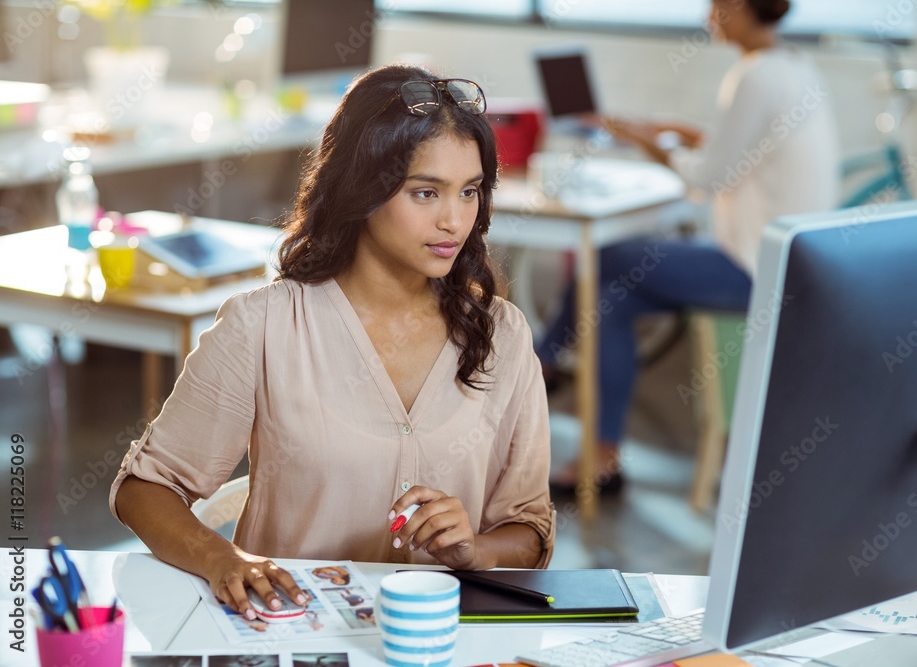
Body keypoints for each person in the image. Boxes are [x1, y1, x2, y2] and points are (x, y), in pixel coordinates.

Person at [110, 64, 555, 622]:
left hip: (436, 641)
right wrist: (222, 559)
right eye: (425, 192)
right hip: (287, 632)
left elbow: (530, 529)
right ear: (363, 189)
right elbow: (145, 488)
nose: (454, 219)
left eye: (470, 192)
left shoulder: (503, 336)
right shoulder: (263, 326)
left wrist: (474, 550)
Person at [537, 0, 840, 493]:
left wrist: (647, 142)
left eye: (716, 7)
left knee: (605, 255)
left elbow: (709, 177)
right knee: (610, 297)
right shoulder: (793, 68)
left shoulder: (755, 76)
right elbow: (740, 147)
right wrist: (671, 131)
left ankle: (543, 362)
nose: (708, 18)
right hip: (785, 262)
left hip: (755, 268)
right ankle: (604, 458)